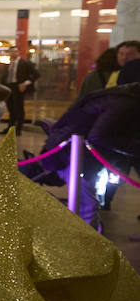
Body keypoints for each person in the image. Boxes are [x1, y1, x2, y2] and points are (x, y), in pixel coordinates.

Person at [27, 83, 140, 232]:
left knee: (85, 202)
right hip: (75, 154)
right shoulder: (126, 103)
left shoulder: (125, 97)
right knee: (87, 205)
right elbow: (98, 136)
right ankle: (86, 245)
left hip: (75, 151)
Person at [0, 46, 38, 136]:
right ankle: (10, 128)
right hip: (9, 87)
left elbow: (36, 74)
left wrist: (25, 83)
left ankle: (18, 129)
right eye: (11, 52)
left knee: (19, 108)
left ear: (18, 52)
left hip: (18, 86)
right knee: (11, 108)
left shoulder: (25, 63)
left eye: (15, 52)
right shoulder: (8, 63)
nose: (13, 53)